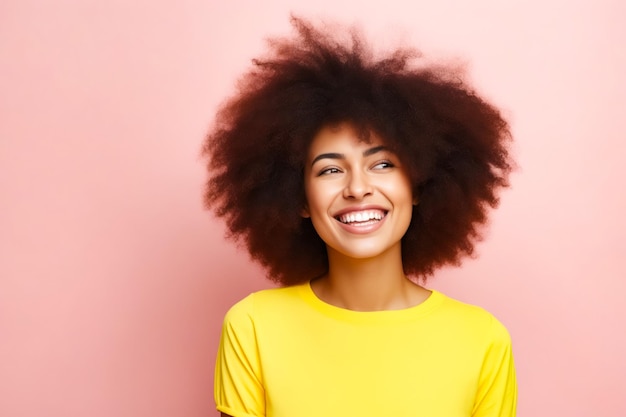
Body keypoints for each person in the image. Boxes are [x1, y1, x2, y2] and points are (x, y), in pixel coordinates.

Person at [203, 16, 517, 417]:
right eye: (330, 170)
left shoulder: (482, 339)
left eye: (382, 165)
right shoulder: (253, 328)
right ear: (298, 197)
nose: (357, 187)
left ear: (419, 185)